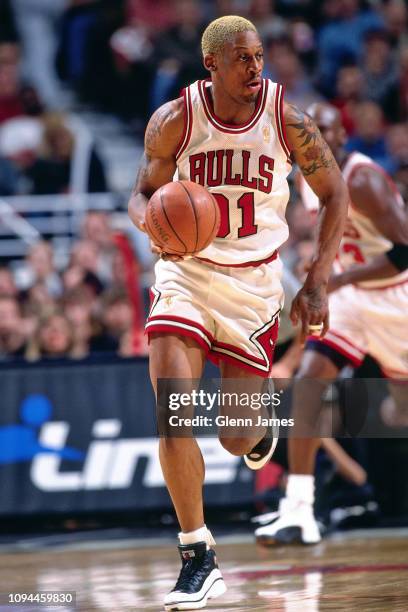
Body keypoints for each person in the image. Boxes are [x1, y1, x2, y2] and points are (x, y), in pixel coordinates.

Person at [128, 17, 348, 611]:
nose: (256, 69)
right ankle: (198, 554)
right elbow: (142, 191)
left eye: (259, 57)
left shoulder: (287, 119)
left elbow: (335, 195)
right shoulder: (175, 119)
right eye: (243, 59)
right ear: (212, 65)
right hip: (187, 274)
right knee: (171, 406)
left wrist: (317, 280)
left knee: (236, 437)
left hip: (253, 285)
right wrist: (150, 222)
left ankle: (260, 433)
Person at [255, 102, 408, 546]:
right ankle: (299, 510)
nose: (312, 140)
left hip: (397, 298)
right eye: (304, 133)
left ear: (341, 136)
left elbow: (403, 253)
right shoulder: (307, 180)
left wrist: (335, 277)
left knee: (398, 411)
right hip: (353, 303)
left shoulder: (361, 179)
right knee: (309, 382)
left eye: (322, 131)